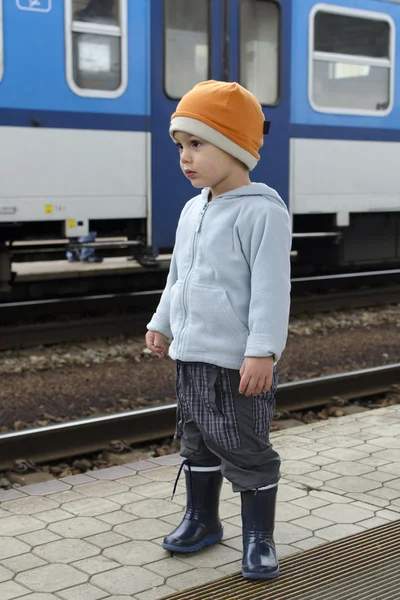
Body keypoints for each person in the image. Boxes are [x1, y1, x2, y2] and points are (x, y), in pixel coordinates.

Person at [145, 80, 291, 580]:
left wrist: (263, 351)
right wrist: (162, 322)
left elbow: (272, 290)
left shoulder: (263, 212)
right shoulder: (193, 209)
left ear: (233, 146)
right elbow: (179, 276)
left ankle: (259, 538)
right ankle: (202, 520)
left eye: (197, 143)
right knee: (197, 440)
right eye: (180, 145)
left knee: (246, 445)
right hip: (191, 355)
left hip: (237, 362)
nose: (185, 157)